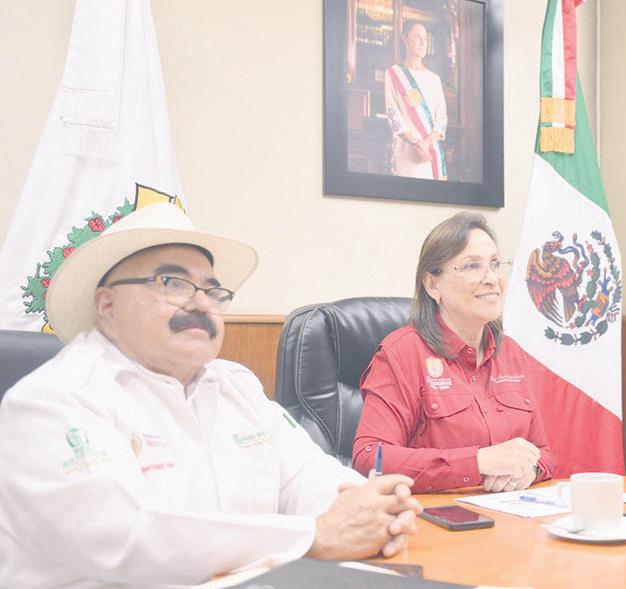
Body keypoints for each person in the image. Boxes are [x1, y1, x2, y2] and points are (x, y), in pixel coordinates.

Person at [0, 203, 421, 588]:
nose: (202, 304)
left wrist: (374, 508)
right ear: (107, 305)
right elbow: (126, 536)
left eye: (213, 291)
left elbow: (308, 476)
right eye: (172, 283)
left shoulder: (234, 385)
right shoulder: (51, 399)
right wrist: (314, 536)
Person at [353, 212, 555, 493]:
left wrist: (530, 470)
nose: (492, 279)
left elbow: (543, 452)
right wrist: (477, 462)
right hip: (434, 514)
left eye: (495, 264)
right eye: (473, 266)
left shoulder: (511, 353)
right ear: (433, 285)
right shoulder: (402, 353)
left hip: (509, 511)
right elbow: (370, 458)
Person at [384, 20, 448, 180]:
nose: (423, 42)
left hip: (430, 152)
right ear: (404, 39)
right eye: (418, 37)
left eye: (425, 38)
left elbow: (441, 119)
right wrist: (415, 142)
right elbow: (392, 113)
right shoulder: (393, 73)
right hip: (406, 151)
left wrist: (426, 143)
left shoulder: (434, 79)